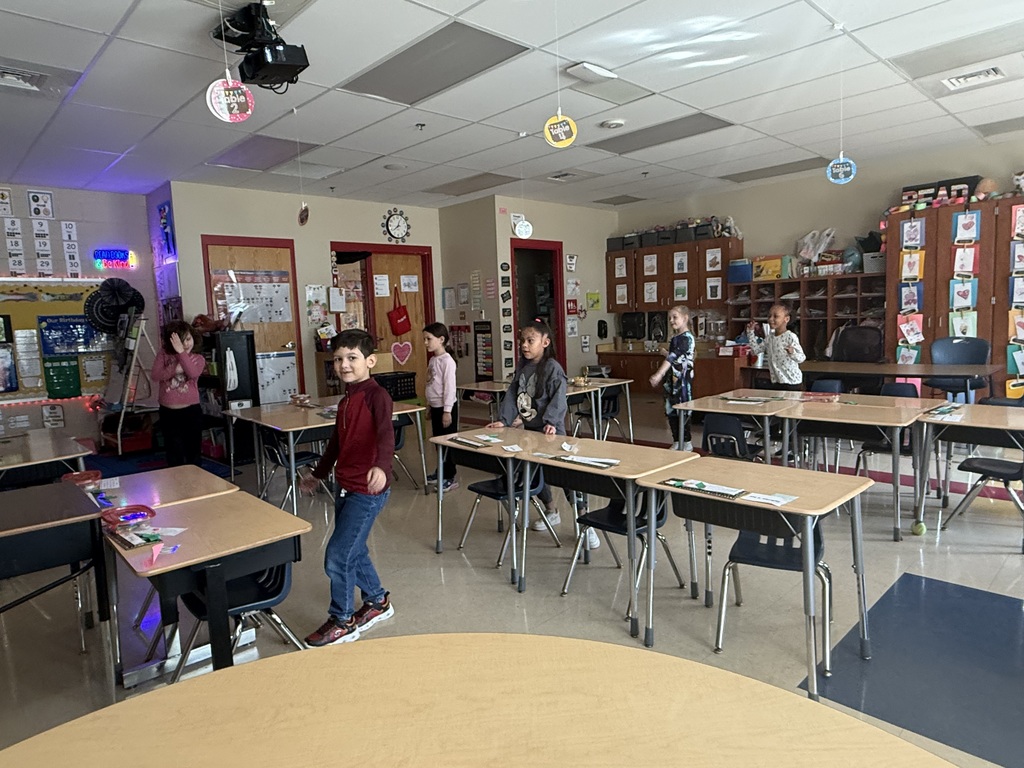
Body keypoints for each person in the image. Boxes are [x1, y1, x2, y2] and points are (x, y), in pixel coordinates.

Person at [300, 329, 395, 646]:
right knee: (355, 549)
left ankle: (342, 620)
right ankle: (377, 601)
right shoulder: (346, 400)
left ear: (370, 361)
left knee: (338, 556)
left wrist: (382, 466)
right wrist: (318, 474)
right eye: (339, 359)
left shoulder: (376, 396)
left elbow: (385, 435)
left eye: (352, 358)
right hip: (345, 486)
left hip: (368, 492)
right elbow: (336, 444)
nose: (344, 364)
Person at [486, 319, 600, 550]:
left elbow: (559, 397)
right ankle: (551, 509)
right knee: (534, 472)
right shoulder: (522, 367)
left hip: (551, 432)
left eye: (530, 340)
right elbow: (511, 394)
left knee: (566, 475)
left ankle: (585, 520)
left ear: (545, 342)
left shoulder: (553, 368)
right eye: (522, 341)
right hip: (530, 431)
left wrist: (551, 422)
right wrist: (504, 419)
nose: (525, 345)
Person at [151, 320, 206, 466]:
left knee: (193, 450)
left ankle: (195, 482)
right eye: (181, 342)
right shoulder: (163, 354)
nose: (186, 344)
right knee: (173, 450)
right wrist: (174, 370)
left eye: (188, 339)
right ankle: (176, 483)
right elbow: (156, 375)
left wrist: (181, 353)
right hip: (168, 411)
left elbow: (193, 373)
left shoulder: (198, 358)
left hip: (191, 411)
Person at [649, 305, 695, 451]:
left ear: (685, 318)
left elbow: (674, 358)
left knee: (682, 410)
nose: (671, 320)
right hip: (671, 382)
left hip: (681, 383)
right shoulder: (676, 338)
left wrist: (658, 374)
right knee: (670, 410)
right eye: (670, 318)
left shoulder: (687, 338)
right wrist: (665, 353)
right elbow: (674, 356)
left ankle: (686, 441)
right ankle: (676, 440)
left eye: (675, 317)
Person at [423, 322, 459, 492]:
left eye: (428, 339)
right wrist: (430, 406)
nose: (426, 342)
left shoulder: (448, 362)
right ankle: (441, 471)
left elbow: (450, 388)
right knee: (438, 442)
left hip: (447, 409)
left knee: (448, 443)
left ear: (441, 339)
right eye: (424, 339)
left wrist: (447, 411)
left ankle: (450, 477)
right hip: (436, 407)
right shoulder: (433, 359)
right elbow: (431, 384)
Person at [746, 304, 805, 390]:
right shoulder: (770, 337)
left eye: (775, 316)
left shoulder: (790, 337)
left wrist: (792, 353)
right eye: (769, 316)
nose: (770, 319)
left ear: (786, 319)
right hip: (776, 382)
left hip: (792, 382)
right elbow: (756, 350)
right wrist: (750, 332)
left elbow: (801, 358)